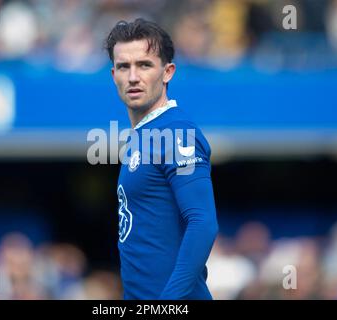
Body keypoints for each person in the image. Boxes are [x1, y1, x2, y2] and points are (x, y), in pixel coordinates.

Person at [106, 18, 218, 300]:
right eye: (123, 66)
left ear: (167, 72)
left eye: (144, 65)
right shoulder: (143, 135)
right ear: (113, 75)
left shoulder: (176, 131)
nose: (133, 76)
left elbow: (203, 222)